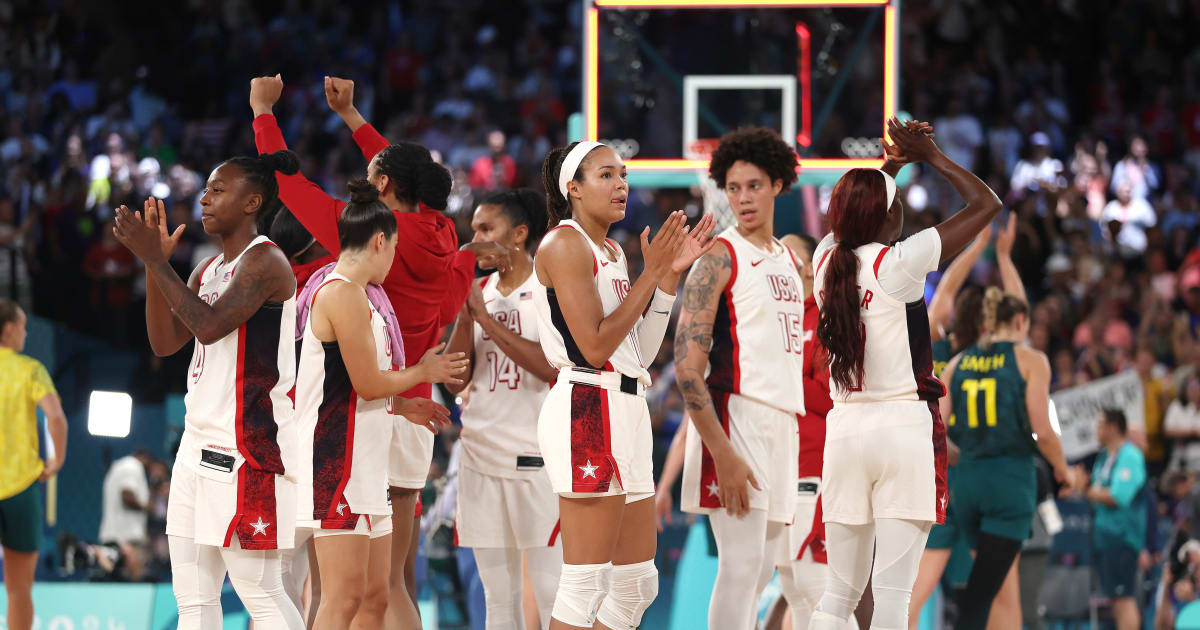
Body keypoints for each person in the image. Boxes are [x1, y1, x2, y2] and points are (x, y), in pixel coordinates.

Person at [249, 75, 509, 628]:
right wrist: (352, 117)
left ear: (383, 188)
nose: (362, 188)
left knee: (333, 591)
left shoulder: (369, 233)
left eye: (371, 181)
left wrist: (262, 113)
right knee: (391, 584)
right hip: (414, 411)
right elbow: (401, 172)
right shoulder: (441, 234)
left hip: (359, 416)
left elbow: (289, 184)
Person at [809, 117, 1002, 630]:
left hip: (845, 431)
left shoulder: (825, 260)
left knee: (839, 593)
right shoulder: (900, 264)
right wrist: (931, 158)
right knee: (893, 598)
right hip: (901, 432)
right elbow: (987, 206)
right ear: (889, 216)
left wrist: (892, 164)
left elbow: (859, 212)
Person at [114, 151, 305, 629]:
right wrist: (150, 265)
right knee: (194, 601)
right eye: (207, 188)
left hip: (245, 450)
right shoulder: (207, 269)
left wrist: (159, 262)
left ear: (252, 201)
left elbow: (209, 326)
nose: (204, 197)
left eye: (218, 189)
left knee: (259, 591)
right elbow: (164, 343)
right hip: (195, 445)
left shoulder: (266, 260)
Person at [533, 140, 716, 630]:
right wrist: (650, 275)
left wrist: (667, 281)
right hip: (587, 405)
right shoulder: (564, 243)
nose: (621, 185)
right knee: (585, 583)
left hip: (625, 404)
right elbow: (594, 347)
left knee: (637, 585)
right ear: (572, 188)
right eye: (606, 175)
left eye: (623, 175)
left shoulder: (611, 250)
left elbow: (641, 350)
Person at [294, 180, 464, 629]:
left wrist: (404, 406)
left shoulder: (365, 296)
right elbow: (367, 384)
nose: (394, 261)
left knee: (375, 598)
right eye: (394, 249)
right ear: (379, 240)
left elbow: (351, 384)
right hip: (336, 460)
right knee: (342, 597)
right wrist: (422, 375)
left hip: (365, 458)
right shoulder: (341, 293)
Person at [673, 126, 805, 630]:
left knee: (765, 568)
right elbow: (688, 368)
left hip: (782, 419)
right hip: (737, 418)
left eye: (753, 185)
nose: (743, 198)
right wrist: (722, 453)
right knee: (741, 566)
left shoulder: (789, 259)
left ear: (777, 184)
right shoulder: (719, 257)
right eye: (733, 188)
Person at [445, 188, 563, 629]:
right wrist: (465, 311)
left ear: (519, 233)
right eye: (472, 228)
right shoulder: (477, 290)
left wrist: (488, 321)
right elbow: (457, 378)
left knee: (552, 592)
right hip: (479, 454)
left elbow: (549, 367)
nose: (473, 238)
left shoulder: (548, 288)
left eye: (485, 229)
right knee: (498, 598)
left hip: (536, 457)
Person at [910, 214, 1029, 628]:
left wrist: (975, 248)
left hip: (936, 480)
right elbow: (1019, 312)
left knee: (912, 595)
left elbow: (941, 296)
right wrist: (1002, 255)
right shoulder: (1005, 360)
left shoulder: (939, 352)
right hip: (985, 477)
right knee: (1001, 594)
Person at [934, 288, 1074, 629]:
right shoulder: (1030, 360)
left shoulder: (957, 362)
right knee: (981, 596)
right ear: (1021, 321)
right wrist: (1063, 470)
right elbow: (1042, 429)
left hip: (965, 486)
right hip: (1008, 484)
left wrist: (957, 456)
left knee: (996, 590)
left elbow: (935, 428)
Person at [0, 298, 68, 630]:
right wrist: (57, 459)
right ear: (10, 330)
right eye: (23, 327)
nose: (26, 334)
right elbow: (56, 418)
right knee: (19, 590)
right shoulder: (29, 369)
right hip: (20, 489)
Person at [1075, 410, 1147, 630]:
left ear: (1114, 427)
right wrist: (1086, 487)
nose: (1096, 430)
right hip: (1105, 537)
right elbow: (1096, 491)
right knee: (1115, 600)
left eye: (1100, 425)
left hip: (1122, 537)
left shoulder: (1130, 456)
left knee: (1124, 598)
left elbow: (1118, 496)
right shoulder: (1104, 457)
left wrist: (1086, 488)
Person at [99, 449, 154, 547]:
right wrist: (148, 507)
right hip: (125, 538)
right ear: (145, 459)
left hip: (114, 536)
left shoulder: (118, 467)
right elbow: (127, 496)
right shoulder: (133, 466)